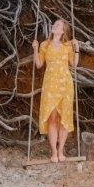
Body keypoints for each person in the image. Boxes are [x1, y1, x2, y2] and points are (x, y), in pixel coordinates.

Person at [32, 18, 80, 161]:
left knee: (64, 118)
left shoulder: (67, 46)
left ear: (63, 30)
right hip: (50, 85)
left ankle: (61, 151)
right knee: (52, 118)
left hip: (65, 85)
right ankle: (53, 152)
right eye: (54, 24)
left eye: (58, 24)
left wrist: (77, 49)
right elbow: (39, 64)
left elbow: (74, 64)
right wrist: (35, 50)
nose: (54, 25)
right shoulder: (45, 45)